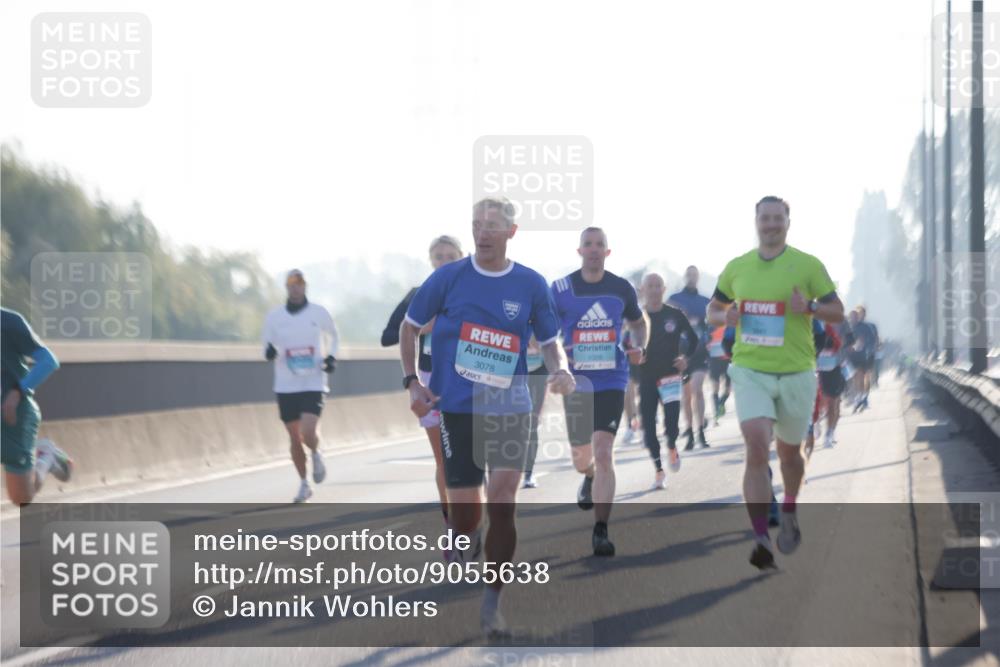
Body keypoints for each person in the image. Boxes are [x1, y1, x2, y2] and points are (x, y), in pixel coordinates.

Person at [399, 197, 575, 638]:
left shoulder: (530, 284)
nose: (482, 232)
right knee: (465, 517)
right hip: (457, 407)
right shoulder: (448, 278)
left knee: (503, 501)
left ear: (511, 232)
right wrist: (412, 381)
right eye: (477, 224)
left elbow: (549, 340)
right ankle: (468, 532)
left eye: (492, 225)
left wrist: (561, 368)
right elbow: (408, 326)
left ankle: (493, 601)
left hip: (509, 405)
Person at [707, 195, 844, 570]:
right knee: (756, 445)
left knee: (789, 456)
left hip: (797, 372)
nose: (770, 224)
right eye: (765, 218)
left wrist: (810, 307)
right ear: (756, 222)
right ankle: (760, 538)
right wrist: (725, 316)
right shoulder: (737, 267)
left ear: (787, 222)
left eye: (777, 218)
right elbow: (712, 310)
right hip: (750, 370)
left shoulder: (808, 265)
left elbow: (837, 311)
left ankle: (790, 509)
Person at [552, 227, 647, 556]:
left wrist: (640, 346)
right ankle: (589, 476)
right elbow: (545, 331)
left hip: (611, 379)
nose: (593, 249)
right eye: (588, 244)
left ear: (608, 252)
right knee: (582, 458)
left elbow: (639, 322)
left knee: (604, 451)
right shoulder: (561, 289)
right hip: (576, 382)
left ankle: (601, 530)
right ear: (579, 251)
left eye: (599, 245)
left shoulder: (621, 288)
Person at [382, 236, 464, 517]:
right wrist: (424, 327)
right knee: (444, 460)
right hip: (430, 383)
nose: (444, 262)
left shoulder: (472, 293)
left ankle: (475, 514)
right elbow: (388, 336)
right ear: (430, 260)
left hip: (466, 380)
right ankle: (452, 523)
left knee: (471, 458)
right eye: (439, 257)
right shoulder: (419, 294)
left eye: (451, 257)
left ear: (461, 258)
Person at [262, 269, 339, 503]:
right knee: (295, 438)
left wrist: (331, 357)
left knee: (308, 431)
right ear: (286, 287)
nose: (296, 287)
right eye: (291, 283)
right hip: (286, 384)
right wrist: (269, 352)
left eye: (300, 283)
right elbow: (266, 345)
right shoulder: (274, 317)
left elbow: (334, 335)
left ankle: (315, 451)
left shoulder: (318, 312)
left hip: (313, 381)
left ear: (305, 286)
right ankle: (304, 484)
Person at [2, 308, 72, 505]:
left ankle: (45, 458)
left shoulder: (8, 322)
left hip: (13, 415)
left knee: (22, 498)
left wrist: (17, 391)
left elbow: (48, 361)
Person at [637, 273, 697, 489]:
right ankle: (659, 471)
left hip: (670, 376)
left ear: (664, 289)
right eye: (650, 286)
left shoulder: (674, 314)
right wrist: (634, 356)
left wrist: (685, 358)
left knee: (671, 425)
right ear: (642, 290)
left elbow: (693, 339)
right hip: (646, 378)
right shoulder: (637, 317)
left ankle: (672, 445)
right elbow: (625, 344)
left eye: (658, 286)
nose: (654, 290)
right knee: (648, 427)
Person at [669, 266, 711, 450]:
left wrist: (710, 340)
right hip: (682, 354)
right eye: (689, 274)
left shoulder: (705, 301)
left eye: (695, 275)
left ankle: (700, 430)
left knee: (697, 389)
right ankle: (690, 432)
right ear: (685, 276)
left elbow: (712, 325)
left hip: (700, 352)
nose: (692, 277)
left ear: (698, 277)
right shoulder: (674, 300)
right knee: (686, 395)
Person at [522, 334, 548, 488]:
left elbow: (547, 345)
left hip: (538, 370)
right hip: (516, 369)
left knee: (532, 421)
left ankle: (528, 473)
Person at [848, 306, 880, 413]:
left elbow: (872, 340)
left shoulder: (867, 327)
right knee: (856, 377)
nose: (853, 318)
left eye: (856, 316)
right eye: (851, 316)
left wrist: (865, 347)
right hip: (852, 357)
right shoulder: (848, 327)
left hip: (864, 356)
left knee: (864, 376)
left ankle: (863, 397)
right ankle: (859, 396)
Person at [707, 325, 733, 426]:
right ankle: (716, 415)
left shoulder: (729, 326)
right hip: (714, 361)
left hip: (728, 360)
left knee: (728, 390)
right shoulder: (710, 326)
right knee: (715, 389)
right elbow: (705, 342)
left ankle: (721, 404)